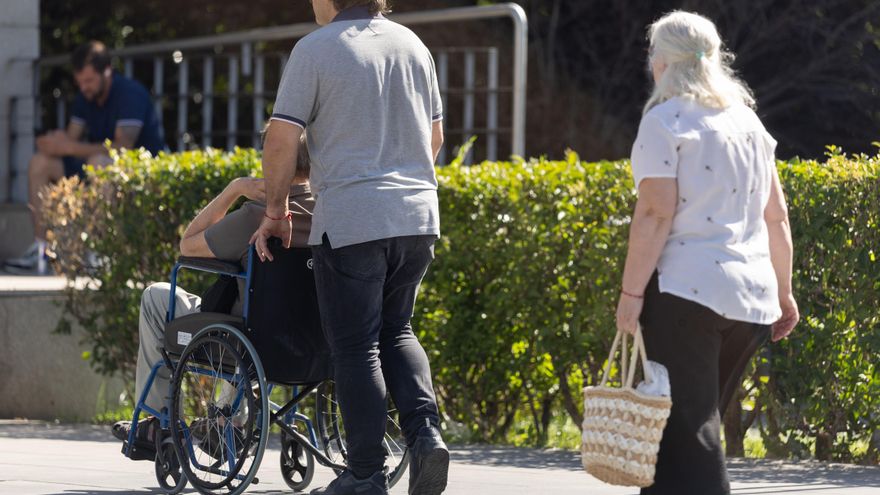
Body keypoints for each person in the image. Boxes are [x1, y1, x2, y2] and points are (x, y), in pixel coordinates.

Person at [250, 1, 448, 494]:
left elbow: (280, 139)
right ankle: (426, 437)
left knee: (357, 347)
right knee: (397, 329)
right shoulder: (413, 45)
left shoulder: (315, 49)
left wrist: (275, 212)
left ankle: (364, 475)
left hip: (354, 218)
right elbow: (436, 136)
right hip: (417, 216)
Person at [614, 11, 800, 495]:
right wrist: (785, 292)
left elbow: (655, 214)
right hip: (752, 303)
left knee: (688, 432)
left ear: (662, 64)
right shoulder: (749, 124)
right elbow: (775, 216)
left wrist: (631, 294)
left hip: (686, 294)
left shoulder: (664, 121)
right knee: (679, 430)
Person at [111, 131, 313, 452]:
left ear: (271, 161)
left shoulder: (256, 216)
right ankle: (227, 420)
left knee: (156, 296)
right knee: (246, 317)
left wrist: (234, 189)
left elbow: (188, 245)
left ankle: (158, 423)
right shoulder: (332, 212)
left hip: (247, 337)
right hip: (309, 340)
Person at [4, 40, 165, 275]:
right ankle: (41, 250)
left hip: (138, 173)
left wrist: (66, 147)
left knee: (99, 163)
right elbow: (71, 139)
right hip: (95, 168)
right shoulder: (85, 97)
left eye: (89, 81)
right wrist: (53, 143)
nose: (84, 87)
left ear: (107, 70)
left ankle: (102, 253)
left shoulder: (130, 94)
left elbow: (122, 147)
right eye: (79, 82)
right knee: (41, 162)